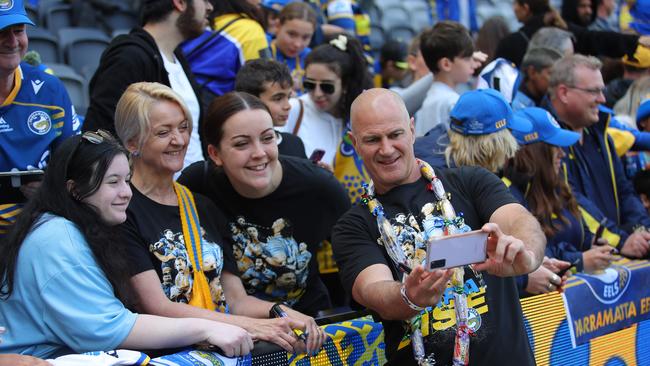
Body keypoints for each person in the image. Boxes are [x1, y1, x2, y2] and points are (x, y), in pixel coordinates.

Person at [332, 88, 545, 365]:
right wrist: (408, 296)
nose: (386, 149)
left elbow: (520, 221)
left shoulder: (470, 181)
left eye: (395, 134)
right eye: (372, 139)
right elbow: (374, 290)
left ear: (411, 129)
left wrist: (527, 255)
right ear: (355, 143)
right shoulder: (353, 225)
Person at [0, 129, 252, 359]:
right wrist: (207, 328)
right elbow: (109, 329)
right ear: (75, 190)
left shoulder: (65, 225)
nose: (126, 192)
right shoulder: (59, 239)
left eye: (126, 179)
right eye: (113, 182)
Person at [114, 83, 324, 355]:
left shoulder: (199, 204)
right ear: (132, 142)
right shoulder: (121, 207)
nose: (178, 140)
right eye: (163, 132)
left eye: (183, 127)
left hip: (221, 351)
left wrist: (279, 311)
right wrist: (250, 326)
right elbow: (156, 307)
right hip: (166, 356)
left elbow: (235, 299)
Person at [178, 92, 350, 325]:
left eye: (268, 138)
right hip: (231, 331)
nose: (259, 153)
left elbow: (358, 255)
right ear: (215, 154)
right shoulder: (198, 185)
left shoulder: (318, 187)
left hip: (306, 327)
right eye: (241, 144)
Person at [543, 54, 650, 258]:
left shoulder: (599, 132)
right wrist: (620, 240)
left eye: (602, 90)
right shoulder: (545, 141)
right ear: (564, 93)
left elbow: (624, 190)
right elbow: (570, 199)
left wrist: (642, 230)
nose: (602, 99)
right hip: (579, 261)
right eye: (594, 91)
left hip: (614, 254)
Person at [84, 0, 210, 170]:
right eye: (205, 1)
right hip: (149, 192)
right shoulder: (128, 57)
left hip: (185, 192)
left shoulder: (177, 57)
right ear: (180, 3)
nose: (210, 7)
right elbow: (102, 133)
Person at [504, 107, 612, 284]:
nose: (563, 153)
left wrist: (596, 246)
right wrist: (579, 261)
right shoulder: (509, 193)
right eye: (554, 147)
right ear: (535, 151)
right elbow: (534, 254)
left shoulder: (557, 186)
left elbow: (582, 234)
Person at [0, 0, 80, 237]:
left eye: (18, 31)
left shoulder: (49, 89)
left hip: (40, 230)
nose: (13, 42)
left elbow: (75, 163)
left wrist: (52, 187)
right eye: (2, 32)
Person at [180, 0, 270, 103]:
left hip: (176, 96)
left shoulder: (195, 21)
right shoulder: (250, 31)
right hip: (217, 109)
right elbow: (262, 84)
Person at [414, 21, 477, 137]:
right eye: (468, 59)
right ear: (446, 64)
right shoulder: (452, 102)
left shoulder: (429, 99)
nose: (473, 64)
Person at [234, 59, 306, 158]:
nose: (288, 106)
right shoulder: (234, 148)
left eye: (288, 97)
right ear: (251, 100)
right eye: (278, 98)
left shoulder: (294, 143)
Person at [270, 2, 318, 94]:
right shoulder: (262, 50)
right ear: (277, 26)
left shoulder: (311, 58)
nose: (298, 44)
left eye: (305, 37)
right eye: (292, 34)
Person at [512, 47, 564, 111]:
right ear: (532, 72)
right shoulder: (516, 107)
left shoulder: (548, 100)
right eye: (551, 74)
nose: (557, 81)